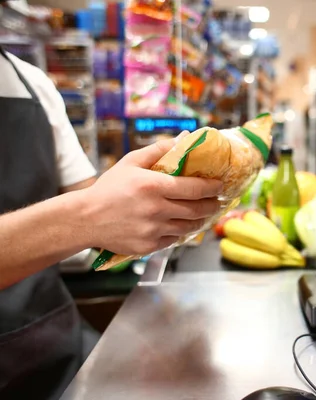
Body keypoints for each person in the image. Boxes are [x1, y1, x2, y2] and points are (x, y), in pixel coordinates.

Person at [0, 44, 221, 399]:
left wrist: (158, 196)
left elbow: (94, 202)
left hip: (58, 344)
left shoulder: (33, 84)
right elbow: (91, 212)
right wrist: (91, 216)